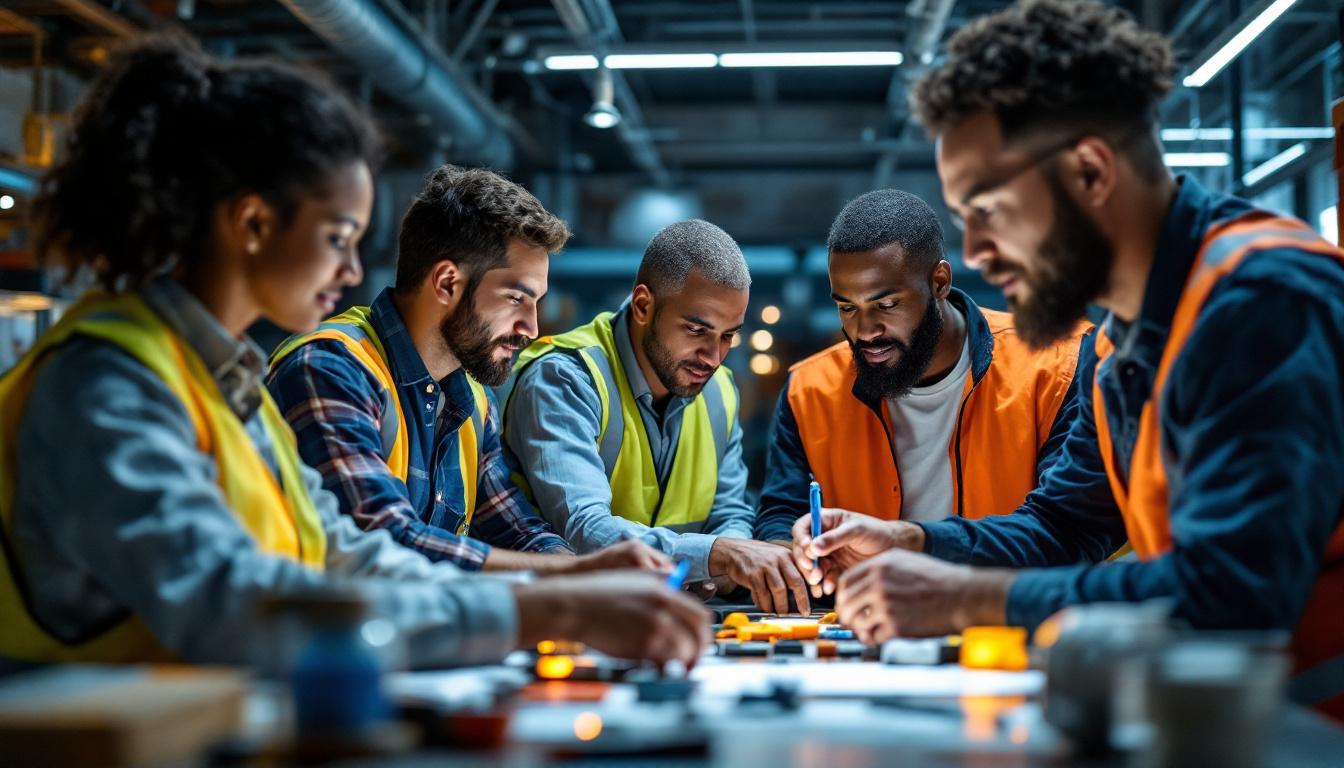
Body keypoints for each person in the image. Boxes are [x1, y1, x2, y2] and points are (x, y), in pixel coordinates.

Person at [0, 34, 707, 670]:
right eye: (338, 238)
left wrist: (566, 587)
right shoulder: (106, 382)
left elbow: (347, 557)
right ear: (252, 223)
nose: (348, 273)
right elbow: (230, 601)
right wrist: (547, 608)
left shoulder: (219, 383)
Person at [794, 0, 1344, 720]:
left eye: (986, 208)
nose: (977, 253)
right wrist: (913, 539)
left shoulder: (1259, 302)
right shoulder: (1123, 340)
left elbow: (1230, 596)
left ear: (1089, 171)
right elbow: (1065, 527)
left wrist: (969, 599)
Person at [268, 165, 665, 575]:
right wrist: (569, 576)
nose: (531, 328)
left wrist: (590, 578)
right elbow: (383, 541)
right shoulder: (331, 370)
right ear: (446, 284)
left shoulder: (472, 403)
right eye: (516, 298)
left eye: (536, 303)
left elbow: (518, 531)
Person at [755, 189, 1085, 571]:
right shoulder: (807, 391)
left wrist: (917, 543)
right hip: (868, 621)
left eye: (887, 304)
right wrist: (790, 553)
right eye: (847, 307)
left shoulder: (1058, 366)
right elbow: (781, 512)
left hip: (1016, 619)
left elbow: (1068, 531)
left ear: (939, 282)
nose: (865, 331)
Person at [505, 220, 812, 615]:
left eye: (727, 335)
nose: (714, 356)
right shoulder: (565, 379)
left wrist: (728, 563)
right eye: (696, 330)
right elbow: (583, 529)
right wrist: (718, 554)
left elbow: (730, 513)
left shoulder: (721, 392)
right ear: (644, 305)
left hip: (671, 616)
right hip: (566, 620)